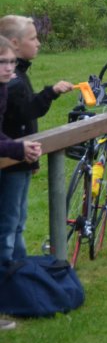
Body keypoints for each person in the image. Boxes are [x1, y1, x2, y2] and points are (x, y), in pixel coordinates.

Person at [0, 29, 44, 264]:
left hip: (13, 160)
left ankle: (16, 271)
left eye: (11, 62)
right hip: (10, 164)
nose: (9, 68)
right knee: (8, 224)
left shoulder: (5, 87)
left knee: (15, 221)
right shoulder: (11, 87)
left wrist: (24, 150)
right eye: (2, 63)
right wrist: (18, 150)